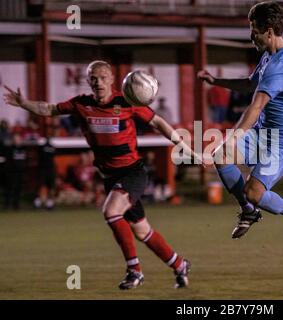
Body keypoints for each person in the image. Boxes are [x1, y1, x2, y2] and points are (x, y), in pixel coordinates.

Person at [3, 60, 201, 290]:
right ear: (87, 81)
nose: (98, 82)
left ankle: (134, 271)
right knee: (141, 230)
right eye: (94, 78)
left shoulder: (126, 101)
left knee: (111, 211)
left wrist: (183, 146)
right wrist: (24, 103)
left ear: (112, 80)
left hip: (132, 172)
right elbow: (49, 109)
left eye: (103, 77)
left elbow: (157, 121)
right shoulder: (81, 104)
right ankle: (179, 265)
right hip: (110, 177)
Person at [198, 1, 283, 247]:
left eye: (254, 30)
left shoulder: (280, 65)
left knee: (254, 192)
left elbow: (256, 105)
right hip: (263, 132)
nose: (251, 36)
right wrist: (216, 81)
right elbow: (251, 84)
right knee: (221, 156)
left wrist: (233, 137)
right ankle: (248, 211)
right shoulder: (272, 55)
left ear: (269, 31)